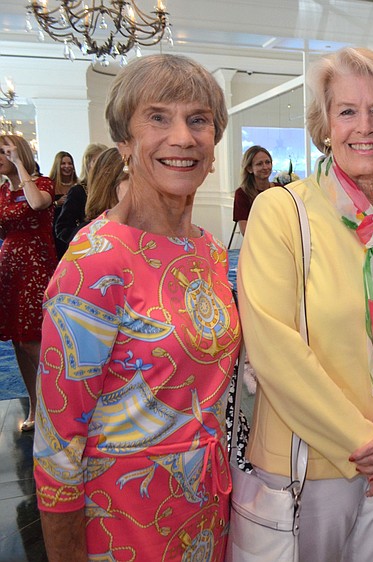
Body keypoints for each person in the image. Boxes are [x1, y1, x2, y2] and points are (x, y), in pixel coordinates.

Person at [237, 47, 373, 562]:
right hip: (308, 464)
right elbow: (273, 349)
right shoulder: (281, 211)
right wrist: (368, 447)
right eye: (347, 111)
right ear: (326, 126)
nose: (365, 127)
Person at [34, 54, 240, 562]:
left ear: (214, 142)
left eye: (198, 120)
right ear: (124, 142)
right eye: (158, 117)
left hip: (206, 504)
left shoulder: (208, 250)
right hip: (123, 515)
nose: (182, 137)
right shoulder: (95, 262)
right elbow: (57, 445)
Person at [0, 134, 56, 432]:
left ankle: (57, 404)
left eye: (3, 151)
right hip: (10, 265)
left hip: (36, 264)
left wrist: (20, 164)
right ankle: (34, 406)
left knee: (32, 338)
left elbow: (36, 203)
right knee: (18, 341)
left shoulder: (42, 183)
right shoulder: (2, 192)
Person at [54, 143, 108, 250]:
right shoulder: (78, 191)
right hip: (88, 249)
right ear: (88, 164)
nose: (101, 166)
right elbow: (62, 229)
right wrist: (86, 231)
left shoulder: (114, 188)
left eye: (104, 162)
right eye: (96, 161)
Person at [233, 145, 280, 234]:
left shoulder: (279, 189)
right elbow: (245, 231)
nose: (265, 167)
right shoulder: (242, 193)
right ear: (249, 169)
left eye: (268, 162)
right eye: (259, 164)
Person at [48, 151, 79, 257]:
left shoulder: (79, 185)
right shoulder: (50, 185)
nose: (67, 166)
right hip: (54, 229)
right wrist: (57, 203)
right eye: (63, 163)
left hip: (73, 229)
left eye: (70, 163)